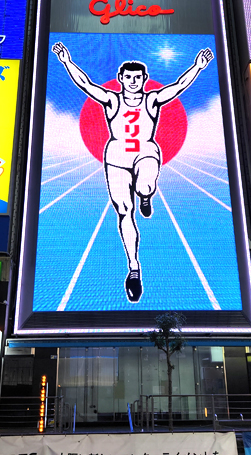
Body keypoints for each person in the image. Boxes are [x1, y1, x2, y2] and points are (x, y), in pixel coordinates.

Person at [52, 41, 213, 303]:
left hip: (145, 152)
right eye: (128, 77)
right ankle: (134, 268)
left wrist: (198, 67)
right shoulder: (111, 100)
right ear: (121, 79)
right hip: (116, 157)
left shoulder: (152, 99)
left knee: (144, 185)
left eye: (138, 77)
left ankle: (146, 195)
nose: (133, 81)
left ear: (144, 79)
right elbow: (86, 84)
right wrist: (67, 61)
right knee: (124, 211)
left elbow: (178, 86)